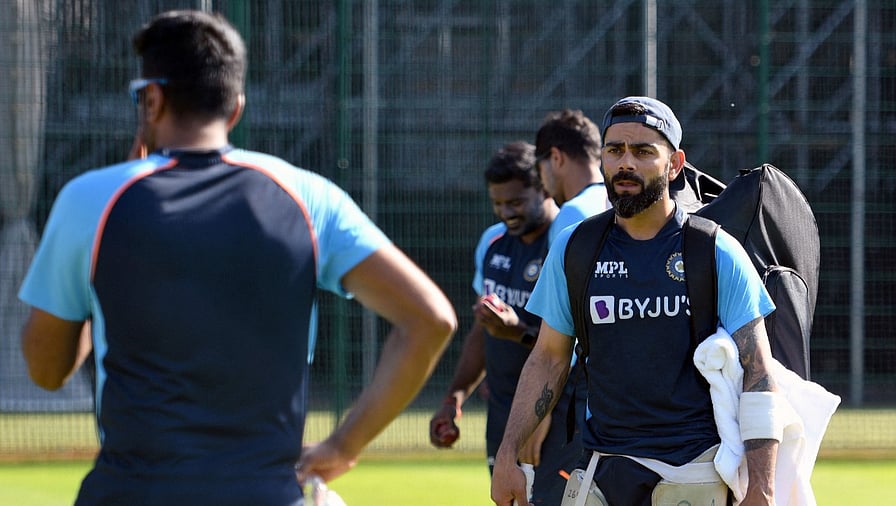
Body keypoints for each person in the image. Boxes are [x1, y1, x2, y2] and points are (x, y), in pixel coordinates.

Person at [18, 10, 456, 506]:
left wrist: (100, 275)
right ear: (236, 109)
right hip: (266, 493)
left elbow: (46, 370)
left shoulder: (92, 200)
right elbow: (430, 320)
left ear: (152, 99)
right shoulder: (309, 197)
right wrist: (344, 443)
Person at [490, 96, 780, 506]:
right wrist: (507, 455)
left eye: (643, 151)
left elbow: (760, 372)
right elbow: (549, 358)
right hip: (603, 468)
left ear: (675, 164)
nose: (626, 162)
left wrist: (761, 487)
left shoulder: (714, 250)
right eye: (615, 150)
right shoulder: (576, 249)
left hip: (695, 469)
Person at [428, 141, 581, 504]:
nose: (505, 213)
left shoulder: (567, 242)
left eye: (515, 202)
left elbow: (578, 345)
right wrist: (455, 397)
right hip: (502, 413)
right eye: (497, 203)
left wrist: (540, 415)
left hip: (554, 415)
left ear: (543, 186)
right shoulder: (492, 243)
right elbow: (484, 330)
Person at [533, 108, 611, 244]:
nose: (542, 183)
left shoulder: (572, 213)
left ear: (556, 158)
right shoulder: (620, 202)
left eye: (539, 169)